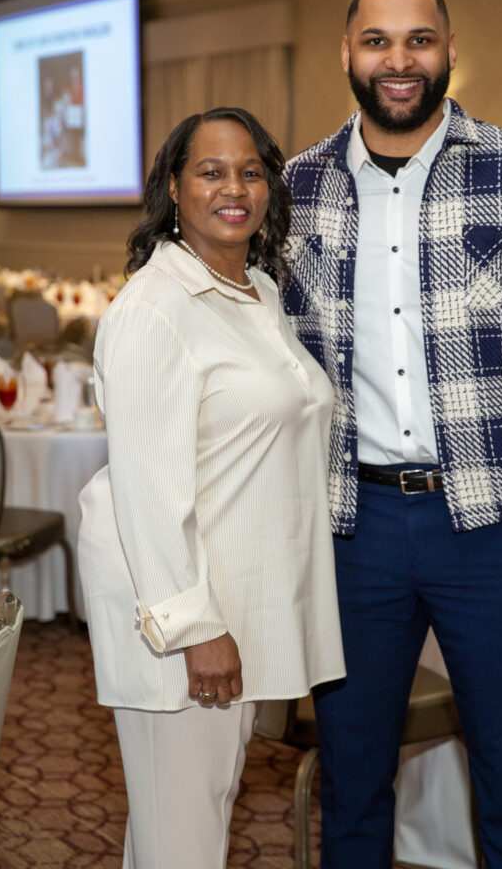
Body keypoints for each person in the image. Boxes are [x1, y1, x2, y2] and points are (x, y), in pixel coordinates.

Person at [283, 0, 502, 868]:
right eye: (377, 41)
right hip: (349, 530)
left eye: (418, 40)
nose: (399, 61)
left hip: (499, 529)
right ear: (345, 54)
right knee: (353, 785)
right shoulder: (297, 186)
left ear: (449, 49)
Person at [78, 106, 345, 869]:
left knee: (183, 826)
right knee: (181, 842)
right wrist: (195, 628)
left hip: (237, 598)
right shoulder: (153, 311)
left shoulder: (256, 289)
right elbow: (146, 489)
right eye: (210, 170)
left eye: (251, 171)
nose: (235, 187)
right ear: (173, 186)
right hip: (179, 619)